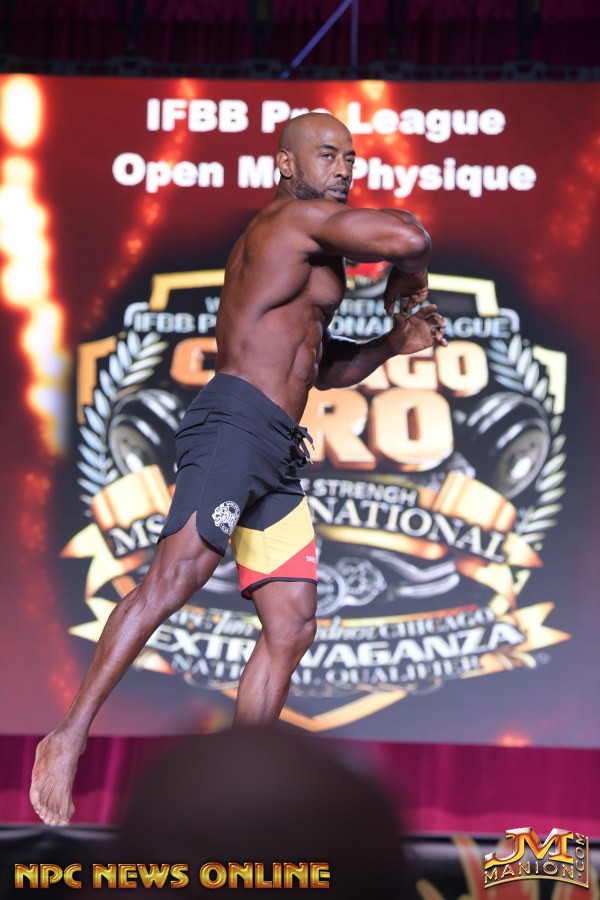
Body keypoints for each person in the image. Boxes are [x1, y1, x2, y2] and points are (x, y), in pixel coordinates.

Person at [30, 112, 446, 826]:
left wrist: (389, 341)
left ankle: (243, 789)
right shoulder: (290, 223)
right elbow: (410, 238)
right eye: (327, 155)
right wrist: (408, 281)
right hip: (233, 427)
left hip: (276, 448)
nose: (343, 169)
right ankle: (65, 738)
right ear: (285, 164)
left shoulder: (317, 248)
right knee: (174, 580)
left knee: (292, 622)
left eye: (350, 158)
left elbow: (321, 370)